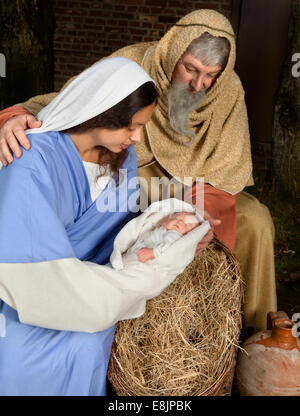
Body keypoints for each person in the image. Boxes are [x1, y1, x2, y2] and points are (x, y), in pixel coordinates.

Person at [0, 10, 277, 332]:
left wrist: (197, 211)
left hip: (199, 185)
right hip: (135, 176)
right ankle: (113, 307)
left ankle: (256, 329)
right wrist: (15, 117)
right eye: (191, 69)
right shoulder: (133, 64)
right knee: (123, 212)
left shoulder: (229, 91)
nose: (199, 84)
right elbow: (76, 103)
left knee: (256, 221)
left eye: (211, 75)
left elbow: (227, 166)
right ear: (175, 52)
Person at [0, 56, 171, 396]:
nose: (137, 137)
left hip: (98, 288)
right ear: (101, 112)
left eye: (142, 127)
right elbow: (24, 256)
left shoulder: (124, 156)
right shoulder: (31, 159)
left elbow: (120, 225)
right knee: (24, 360)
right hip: (34, 295)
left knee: (87, 346)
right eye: (131, 126)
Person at [135, 211, 200, 263]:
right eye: (177, 218)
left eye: (187, 225)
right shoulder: (164, 229)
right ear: (167, 221)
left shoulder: (175, 235)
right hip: (140, 250)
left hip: (145, 257)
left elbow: (169, 248)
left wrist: (153, 253)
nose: (180, 222)